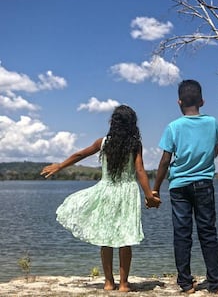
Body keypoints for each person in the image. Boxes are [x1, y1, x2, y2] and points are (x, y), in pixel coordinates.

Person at [41, 105, 161, 292]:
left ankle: (107, 282)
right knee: (125, 237)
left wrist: (59, 166)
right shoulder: (134, 144)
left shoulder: (103, 142)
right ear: (132, 124)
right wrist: (149, 195)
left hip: (106, 190)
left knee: (106, 237)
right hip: (127, 192)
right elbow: (139, 170)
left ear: (113, 123)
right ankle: (123, 284)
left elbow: (80, 154)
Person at [152, 80, 218, 294]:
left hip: (178, 186)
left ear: (179, 102)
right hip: (204, 183)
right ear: (202, 101)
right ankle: (216, 283)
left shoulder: (173, 127)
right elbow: (215, 151)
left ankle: (186, 284)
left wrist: (156, 188)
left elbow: (164, 161)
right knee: (208, 232)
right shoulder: (212, 123)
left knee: (182, 233)